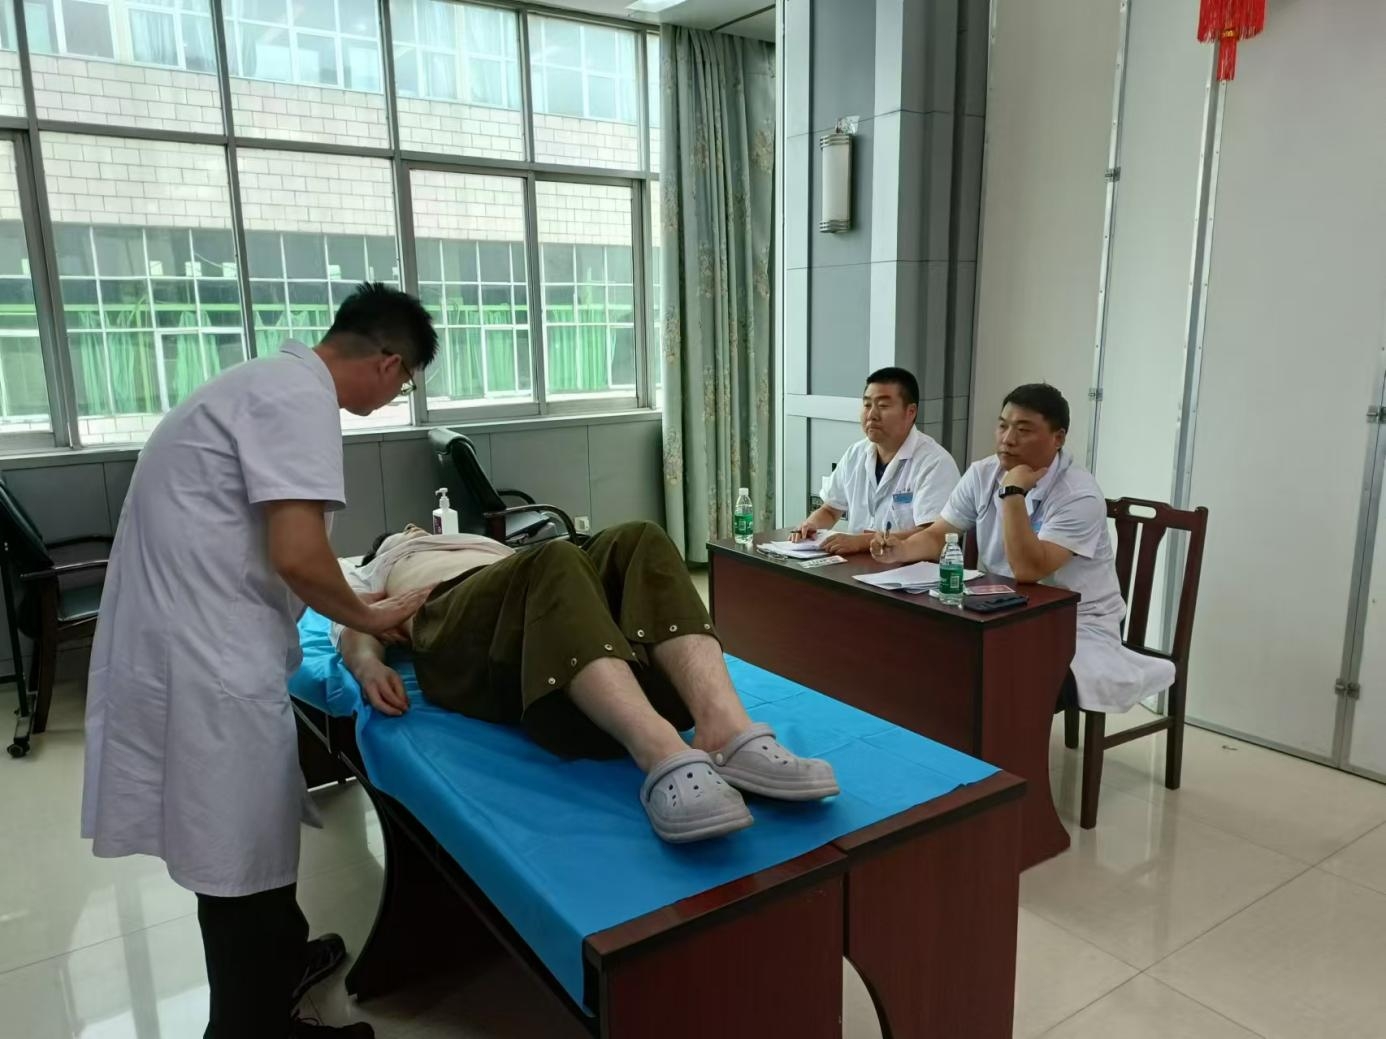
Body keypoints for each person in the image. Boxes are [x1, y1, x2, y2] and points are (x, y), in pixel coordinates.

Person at [81, 283, 440, 1039]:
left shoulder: (262, 383)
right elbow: (299, 555)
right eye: (405, 383)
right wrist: (370, 616)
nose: (396, 396)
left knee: (253, 837)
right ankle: (250, 1023)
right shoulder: (300, 400)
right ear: (389, 364)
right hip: (208, 662)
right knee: (237, 856)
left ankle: (282, 960)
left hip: (190, 646)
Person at [333, 521, 840, 843]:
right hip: (456, 626)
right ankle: (661, 751)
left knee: (639, 538)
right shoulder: (380, 564)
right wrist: (367, 664)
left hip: (533, 601)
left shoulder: (482, 544)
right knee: (554, 556)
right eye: (405, 532)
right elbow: (349, 619)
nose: (415, 530)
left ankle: (723, 729)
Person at [870, 383, 1175, 714]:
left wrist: (1013, 492)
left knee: (1010, 678)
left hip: (1076, 623)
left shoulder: (1078, 494)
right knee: (930, 653)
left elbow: (1028, 570)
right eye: (1002, 425)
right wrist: (901, 550)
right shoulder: (982, 473)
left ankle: (1007, 745)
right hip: (1003, 610)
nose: (1007, 439)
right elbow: (938, 534)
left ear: (1058, 438)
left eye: (1023, 430)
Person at [790, 367, 960, 555]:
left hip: (910, 567)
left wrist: (860, 542)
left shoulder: (935, 463)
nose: (872, 414)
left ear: (910, 412)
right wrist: (811, 525)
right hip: (857, 565)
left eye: (883, 406)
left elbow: (932, 535)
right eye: (867, 405)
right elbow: (830, 509)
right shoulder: (856, 453)